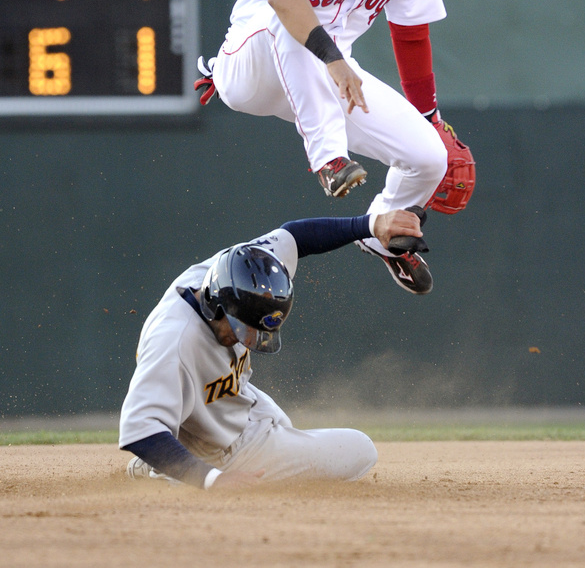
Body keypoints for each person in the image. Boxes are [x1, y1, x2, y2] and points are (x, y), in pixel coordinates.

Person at [195, 0, 475, 295]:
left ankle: (381, 234)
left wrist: (430, 117)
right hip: (252, 62)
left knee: (428, 157)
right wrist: (333, 59)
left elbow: (410, 37)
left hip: (321, 76)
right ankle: (328, 160)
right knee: (292, 23)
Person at [120, 208, 426, 491]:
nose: (247, 338)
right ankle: (173, 469)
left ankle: (166, 466)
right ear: (215, 305)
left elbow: (295, 237)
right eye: (242, 328)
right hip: (217, 447)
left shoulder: (242, 269)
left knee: (283, 423)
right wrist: (212, 480)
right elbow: (140, 428)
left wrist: (372, 225)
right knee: (360, 450)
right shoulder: (174, 342)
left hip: (233, 402)